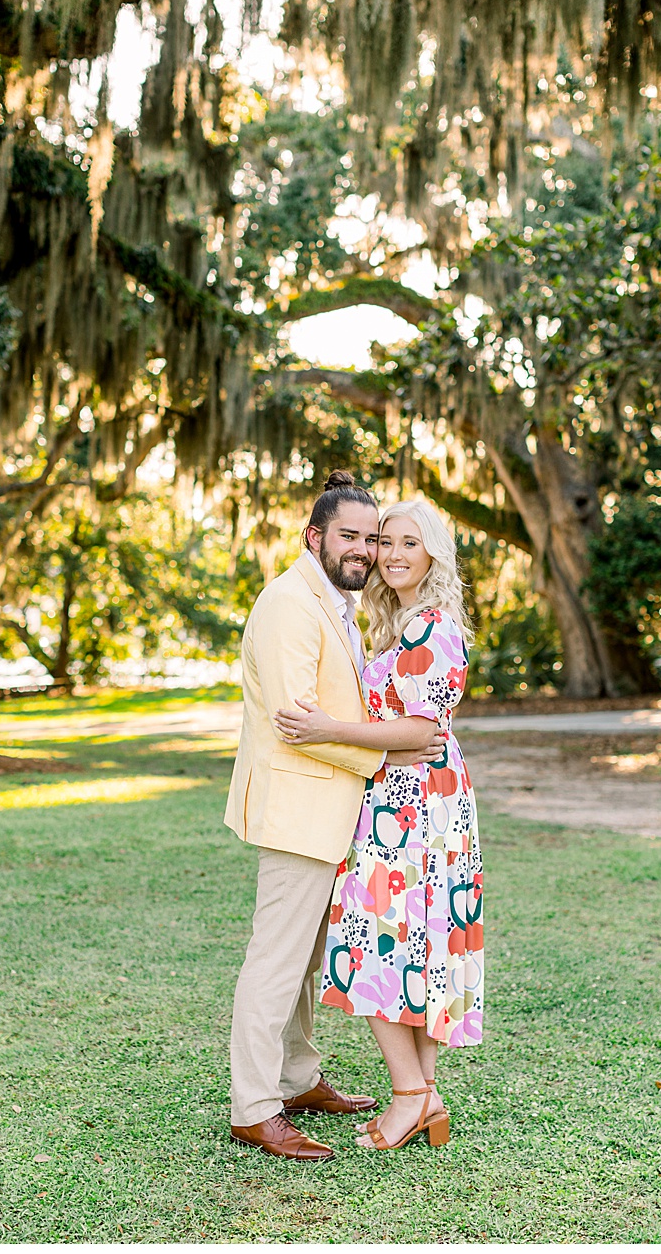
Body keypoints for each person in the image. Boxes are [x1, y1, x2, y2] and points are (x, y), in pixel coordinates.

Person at [222, 470, 448, 1162]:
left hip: (334, 811)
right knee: (275, 961)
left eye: (372, 538)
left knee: (306, 962)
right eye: (349, 535)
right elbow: (300, 723)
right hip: (299, 806)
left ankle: (296, 1078)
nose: (364, 549)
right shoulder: (292, 603)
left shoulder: (338, 604)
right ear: (313, 536)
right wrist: (391, 757)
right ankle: (256, 1109)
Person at [276, 498, 483, 1151]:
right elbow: (415, 732)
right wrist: (383, 749)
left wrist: (330, 731)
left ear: (433, 555)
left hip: (416, 808)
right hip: (410, 797)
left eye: (409, 544)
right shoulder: (402, 624)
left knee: (378, 949)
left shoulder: (429, 628)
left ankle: (409, 1096)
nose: (392, 554)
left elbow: (423, 729)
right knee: (411, 949)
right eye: (385, 542)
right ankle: (423, 1095)